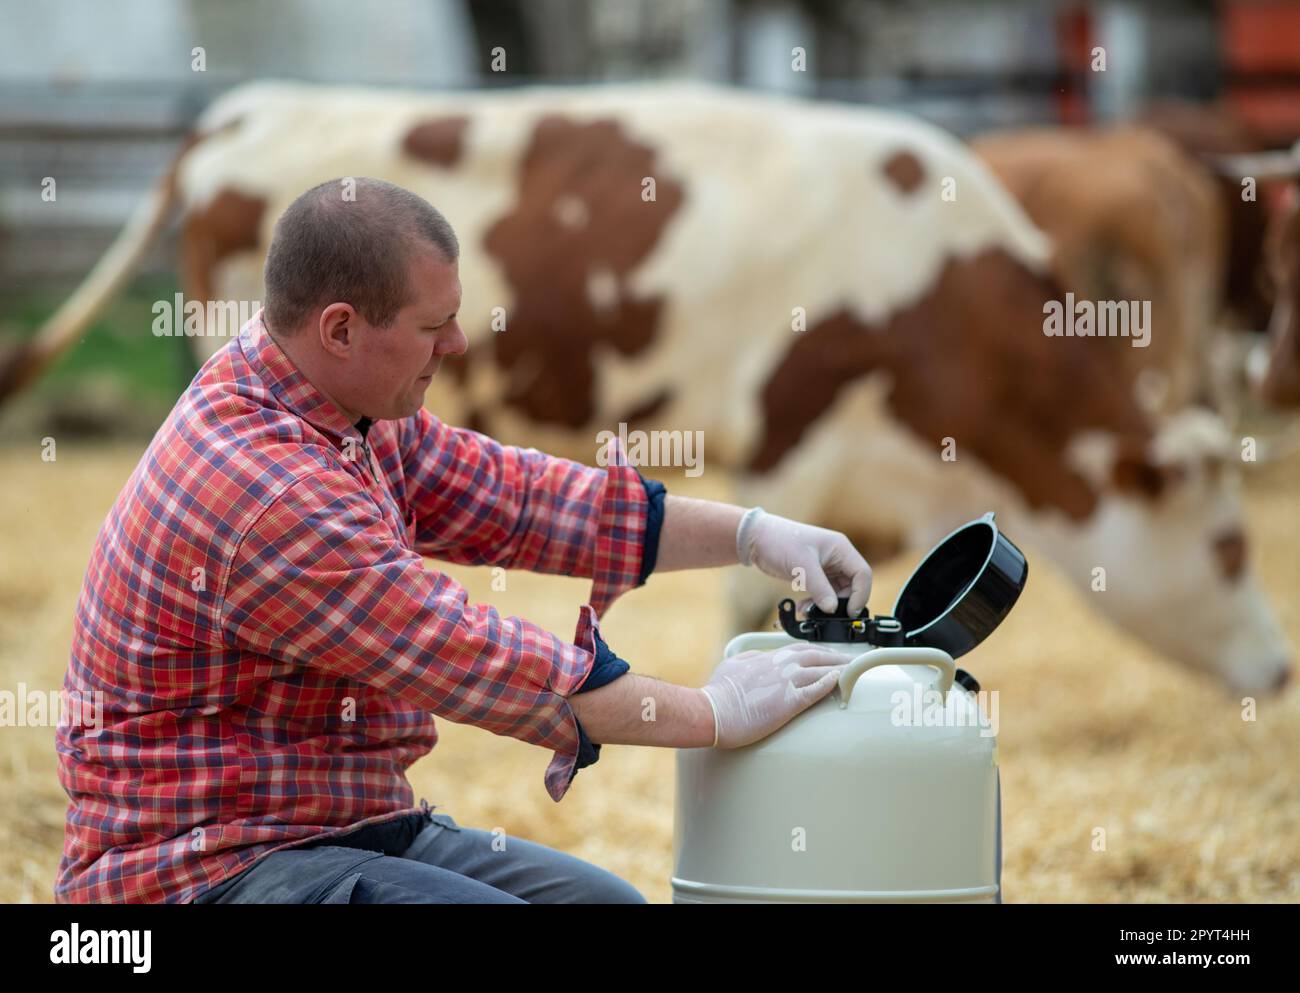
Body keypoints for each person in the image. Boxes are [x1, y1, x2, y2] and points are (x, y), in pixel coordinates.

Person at [54, 177, 873, 904]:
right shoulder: (268, 491)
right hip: (202, 869)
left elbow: (520, 500)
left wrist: (756, 533)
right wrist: (716, 713)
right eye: (434, 325)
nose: (459, 345)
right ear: (340, 329)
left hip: (337, 821)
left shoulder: (333, 403)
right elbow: (473, 657)